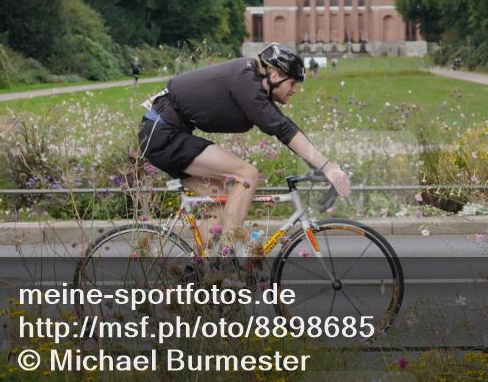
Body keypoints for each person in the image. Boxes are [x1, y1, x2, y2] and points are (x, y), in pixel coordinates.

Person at [137, 43, 350, 255]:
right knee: (247, 175)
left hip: (164, 133)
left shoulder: (252, 83)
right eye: (293, 82)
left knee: (221, 200)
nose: (295, 90)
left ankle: (198, 267)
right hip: (162, 133)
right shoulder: (246, 81)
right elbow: (283, 130)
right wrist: (327, 167)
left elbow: (286, 126)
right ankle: (229, 257)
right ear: (275, 75)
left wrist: (323, 167)